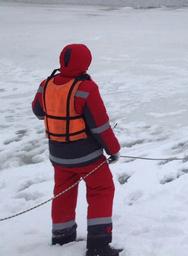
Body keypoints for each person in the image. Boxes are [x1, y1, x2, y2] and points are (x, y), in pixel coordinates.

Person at [31, 44, 123, 256]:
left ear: (62, 59)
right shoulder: (86, 89)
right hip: (87, 157)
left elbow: (38, 111)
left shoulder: (46, 84)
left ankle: (62, 238)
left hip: (58, 156)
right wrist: (113, 150)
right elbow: (100, 126)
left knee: (63, 193)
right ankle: (98, 245)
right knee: (102, 190)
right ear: (85, 63)